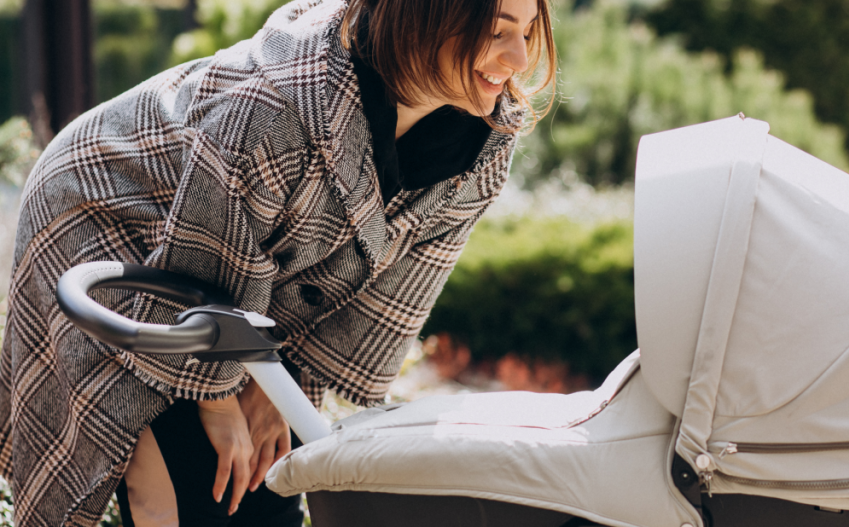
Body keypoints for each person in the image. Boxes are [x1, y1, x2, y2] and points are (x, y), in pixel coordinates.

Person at [0, 0, 555, 524]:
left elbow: (392, 290)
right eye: (497, 31)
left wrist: (281, 386)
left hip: (240, 284)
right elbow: (204, 264)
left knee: (266, 487)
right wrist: (217, 402)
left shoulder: (486, 142)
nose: (520, 59)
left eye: (527, 31)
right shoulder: (276, 106)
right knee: (200, 481)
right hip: (113, 220)